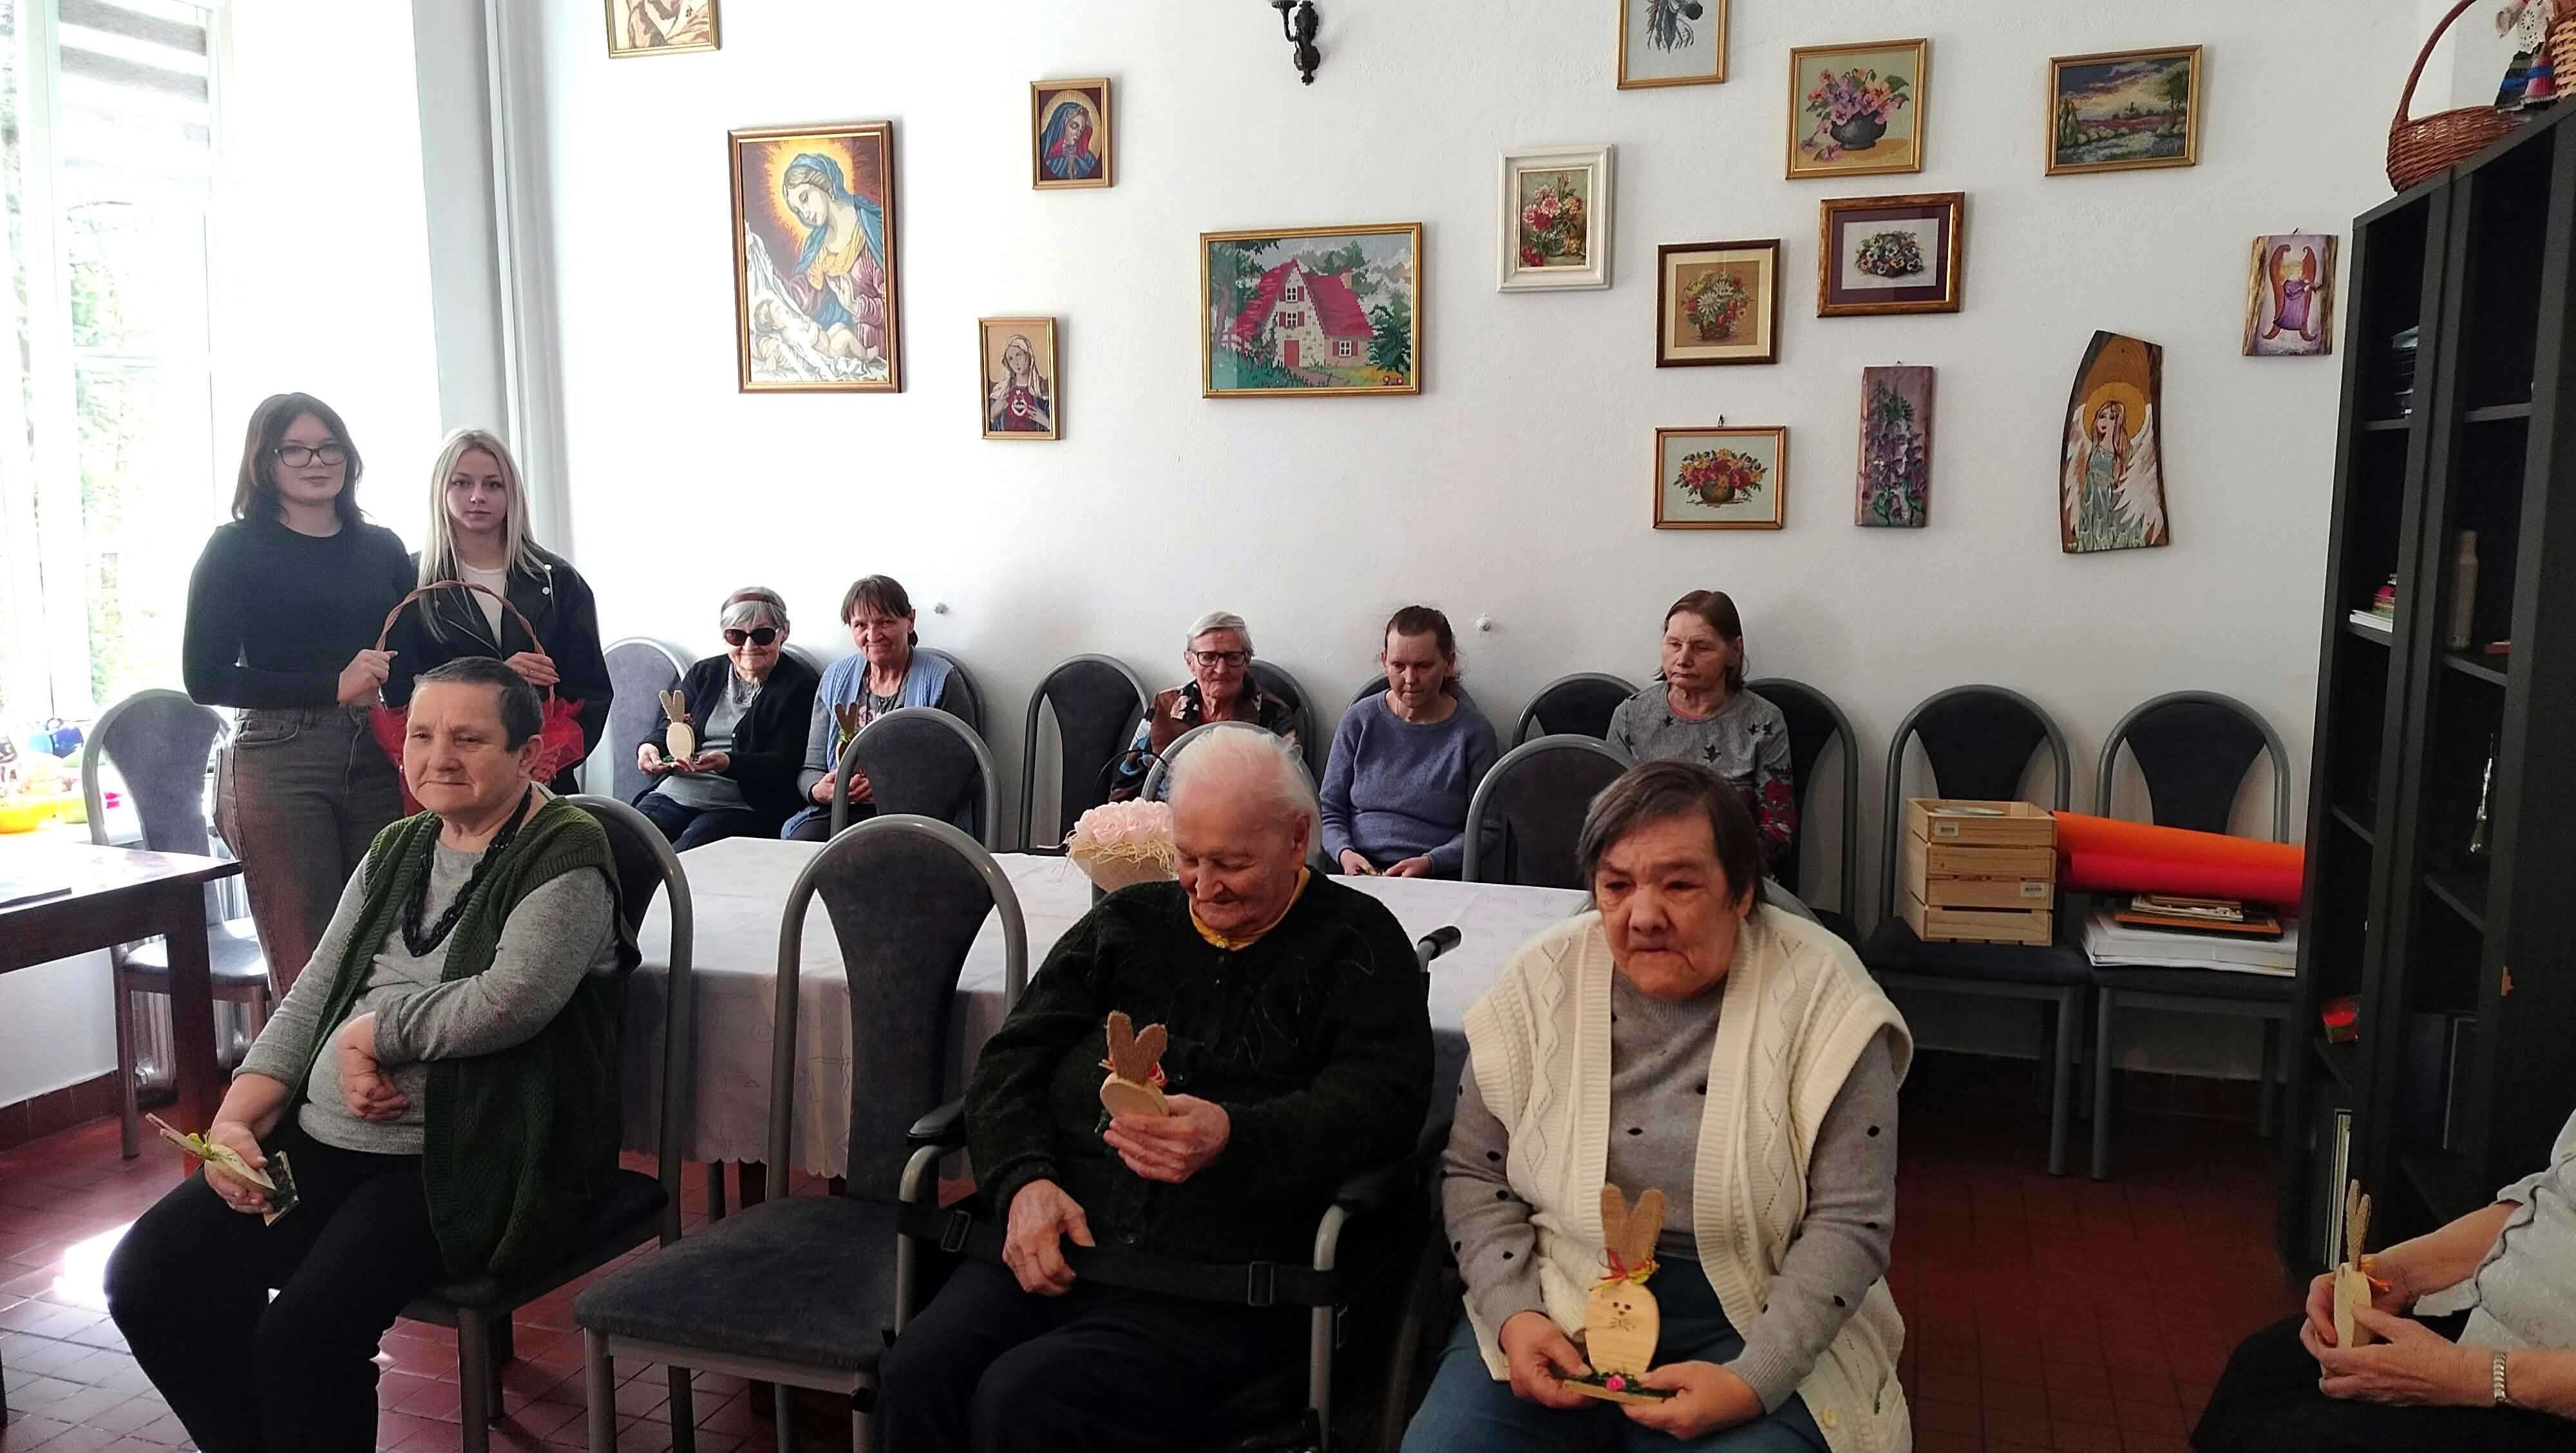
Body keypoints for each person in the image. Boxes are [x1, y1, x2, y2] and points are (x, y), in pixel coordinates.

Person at [104, 657, 638, 1453]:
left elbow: (510, 1000)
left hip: (460, 1160)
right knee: (151, 1278)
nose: (437, 758)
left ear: (528, 754)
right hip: (324, 1140)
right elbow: (313, 994)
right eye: (420, 735)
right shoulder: (399, 846)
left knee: (304, 1340)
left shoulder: (565, 850)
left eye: (468, 739)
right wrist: (237, 1123)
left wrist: (371, 1034)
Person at [879, 728, 1433, 1452]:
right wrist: (1023, 1183)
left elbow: (1383, 1107)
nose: (1203, 885)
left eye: (1232, 863)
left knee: (1025, 1402)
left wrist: (1236, 1137)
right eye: (1189, 858)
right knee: (917, 1375)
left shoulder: (1358, 945)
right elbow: (1011, 1059)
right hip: (1059, 1234)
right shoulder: (1127, 921)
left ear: (1298, 838)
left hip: (1216, 1282)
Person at [1406, 759, 1911, 1453]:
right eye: (1616, 886)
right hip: (1560, 1293)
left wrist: (1754, 1380)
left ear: (1742, 892)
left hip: (1756, 1310)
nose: (1643, 917)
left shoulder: (1830, 1005)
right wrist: (1513, 1314)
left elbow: (1850, 1221)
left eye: (1679, 885)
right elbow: (1475, 1173)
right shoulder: (1538, 983)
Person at [185, 392, 415, 993]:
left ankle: (374, 1060)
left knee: (386, 950)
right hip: (277, 759)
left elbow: (413, 654)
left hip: (375, 751)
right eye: (296, 450)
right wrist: (331, 685)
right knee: (310, 967)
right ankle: (307, 1063)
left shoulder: (383, 547)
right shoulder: (234, 549)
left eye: (329, 447)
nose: (317, 461)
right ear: (265, 461)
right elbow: (204, 677)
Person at [2194, 1105, 2576, 1451]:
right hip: (2482, 1327)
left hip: (2541, 1393)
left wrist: (2466, 1375)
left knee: (2298, 1439)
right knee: (2260, 1368)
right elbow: (2550, 1194)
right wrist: (2398, 1274)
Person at [382, 428, 611, 795]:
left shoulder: (559, 580)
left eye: (493, 485)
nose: (478, 496)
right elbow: (399, 690)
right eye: (462, 483)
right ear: (441, 490)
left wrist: (543, 758)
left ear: (511, 493)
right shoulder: (411, 581)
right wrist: (498, 677)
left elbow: (591, 692)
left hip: (540, 778)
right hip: (447, 778)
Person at [1607, 591, 1795, 878]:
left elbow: (1778, 830)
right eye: (1674, 644)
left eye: (1701, 647)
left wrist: (1710, 874)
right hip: (1644, 873)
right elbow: (1608, 818)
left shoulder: (1764, 721)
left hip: (1732, 875)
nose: (1683, 659)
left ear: (1734, 651)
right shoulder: (1631, 716)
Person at [782, 575, 974, 841]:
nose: (873, 636)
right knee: (801, 843)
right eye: (861, 625)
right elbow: (811, 768)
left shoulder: (940, 680)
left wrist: (890, 786)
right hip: (841, 811)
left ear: (910, 620)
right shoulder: (835, 678)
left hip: (912, 816)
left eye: (885, 622)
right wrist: (818, 790)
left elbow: (964, 773)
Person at [634, 586, 820, 850]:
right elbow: (671, 724)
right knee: (627, 840)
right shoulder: (704, 673)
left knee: (686, 854)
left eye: (763, 635)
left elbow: (785, 765)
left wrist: (728, 763)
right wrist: (650, 747)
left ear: (784, 632)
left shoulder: (800, 687)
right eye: (736, 635)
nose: (749, 646)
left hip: (740, 805)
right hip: (675, 791)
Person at [1321, 605, 1499, 878]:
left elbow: (1486, 829)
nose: (1410, 679)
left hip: (1434, 876)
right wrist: (1344, 853)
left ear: (1448, 663)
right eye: (1398, 666)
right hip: (1356, 871)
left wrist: (1431, 862)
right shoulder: (1358, 721)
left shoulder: (1473, 733)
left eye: (1423, 666)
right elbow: (1329, 810)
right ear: (1384, 661)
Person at [1106, 611, 1298, 801]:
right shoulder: (1164, 706)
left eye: (1233, 657)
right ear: (1190, 662)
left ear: (1246, 661)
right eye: (1208, 657)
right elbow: (1128, 780)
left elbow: (1290, 794)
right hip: (1163, 818)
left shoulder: (1273, 713)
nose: (1221, 670)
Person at [987, 333, 1055, 434]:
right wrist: (992, 414)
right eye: (1010, 359)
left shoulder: (1043, 392)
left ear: (1029, 355)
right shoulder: (1000, 394)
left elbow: (1055, 431)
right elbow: (988, 432)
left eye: (1018, 355)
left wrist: (1047, 423)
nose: (1016, 362)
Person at [1038, 95, 1103, 182]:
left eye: (1081, 130)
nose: (1079, 134)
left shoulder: (1087, 159)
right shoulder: (1046, 152)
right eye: (1074, 126)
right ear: (1063, 124)